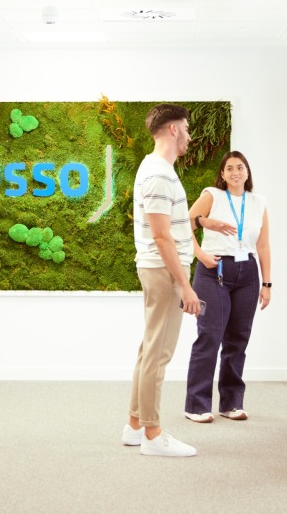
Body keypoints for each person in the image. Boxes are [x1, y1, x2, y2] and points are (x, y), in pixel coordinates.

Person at [121, 103, 200, 458]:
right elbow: (162, 236)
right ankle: (153, 435)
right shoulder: (157, 174)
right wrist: (185, 285)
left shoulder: (158, 169)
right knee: (158, 353)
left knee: (149, 348)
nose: (189, 135)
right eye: (186, 128)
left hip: (160, 269)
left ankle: (135, 425)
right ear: (172, 129)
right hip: (163, 271)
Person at [183, 151, 271, 423]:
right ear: (222, 174)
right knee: (209, 336)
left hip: (247, 273)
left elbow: (264, 245)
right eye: (229, 168)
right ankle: (196, 404)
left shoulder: (258, 202)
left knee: (238, 339)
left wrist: (267, 283)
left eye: (240, 167)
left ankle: (231, 403)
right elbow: (185, 225)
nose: (235, 172)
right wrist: (200, 255)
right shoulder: (213, 195)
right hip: (213, 270)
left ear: (247, 172)